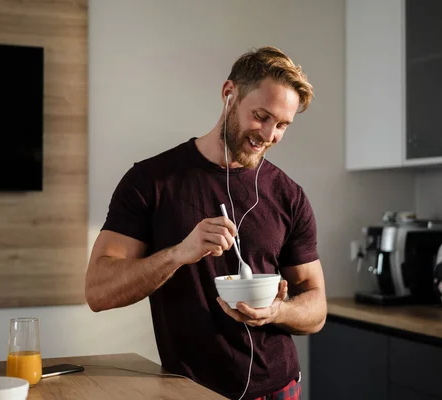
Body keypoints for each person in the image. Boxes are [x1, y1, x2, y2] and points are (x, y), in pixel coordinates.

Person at [85, 46, 327, 400]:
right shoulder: (150, 181)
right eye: (262, 115)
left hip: (278, 387)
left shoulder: (289, 195)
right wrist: (178, 254)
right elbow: (97, 290)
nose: (270, 135)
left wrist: (276, 311)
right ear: (229, 94)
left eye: (283, 125)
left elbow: (317, 307)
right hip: (188, 390)